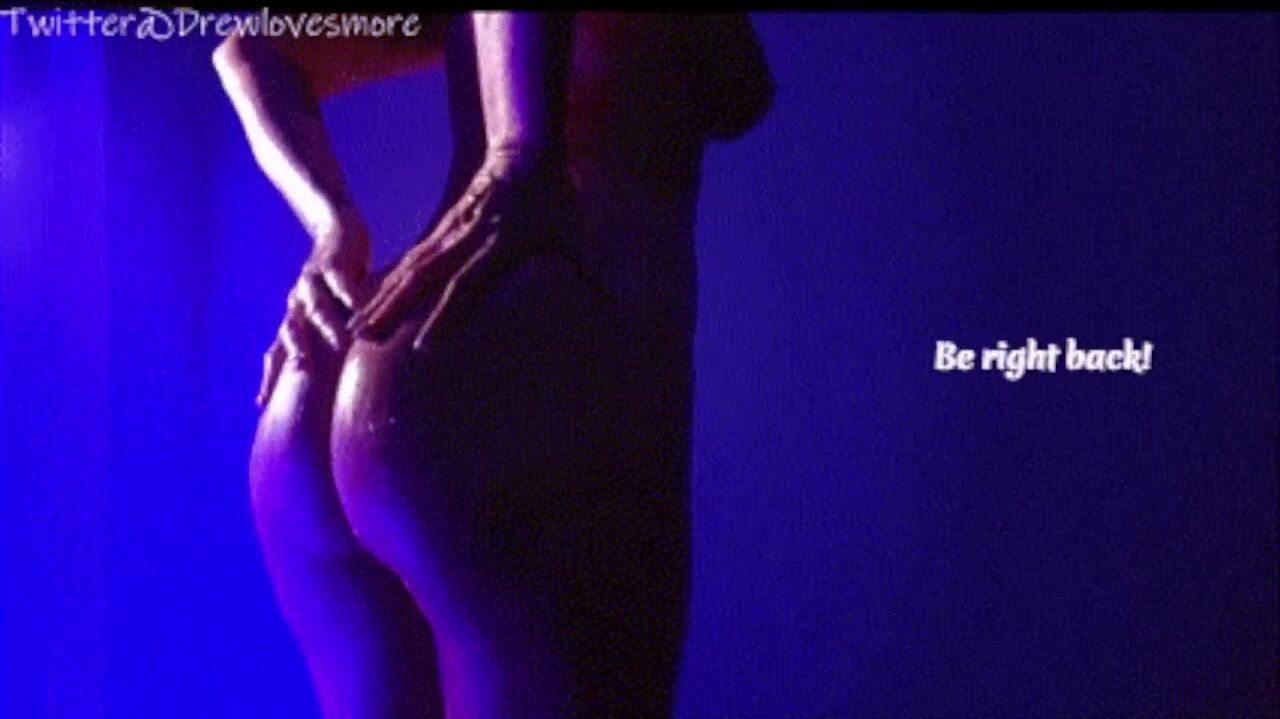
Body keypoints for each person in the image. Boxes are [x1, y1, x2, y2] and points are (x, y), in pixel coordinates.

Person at [214, 12, 773, 718]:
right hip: (524, 363)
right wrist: (520, 153)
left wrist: (334, 230)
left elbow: (250, 51)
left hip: (352, 360)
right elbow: (738, 88)